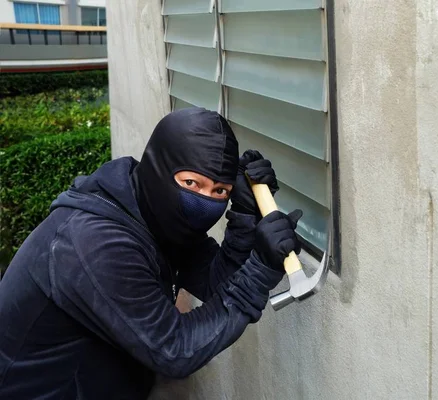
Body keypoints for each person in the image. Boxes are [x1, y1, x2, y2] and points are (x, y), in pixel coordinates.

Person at [0, 107, 303, 399]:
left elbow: (214, 282)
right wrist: (259, 272)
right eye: (191, 183)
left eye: (219, 191)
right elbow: (175, 349)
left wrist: (246, 217)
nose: (204, 202)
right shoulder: (97, 243)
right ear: (159, 167)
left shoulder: (155, 210)